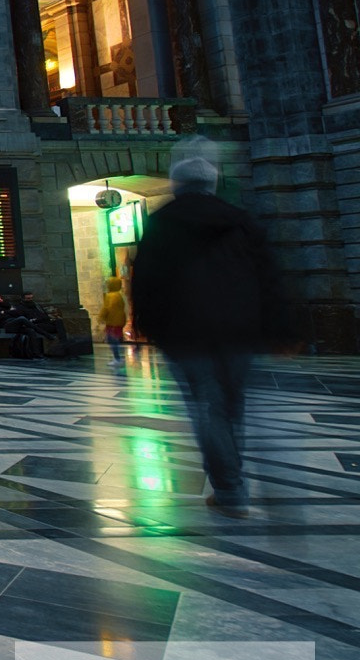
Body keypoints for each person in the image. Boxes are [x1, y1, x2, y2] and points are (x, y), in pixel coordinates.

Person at [131, 141, 286, 518]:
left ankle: (230, 488)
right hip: (239, 329)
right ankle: (232, 481)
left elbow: (147, 282)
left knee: (207, 405)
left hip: (185, 332)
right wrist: (279, 327)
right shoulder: (240, 220)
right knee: (232, 406)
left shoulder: (163, 222)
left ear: (177, 184)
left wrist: (149, 327)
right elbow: (269, 278)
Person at [98, 277, 129, 367]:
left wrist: (101, 317)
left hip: (112, 322)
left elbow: (107, 308)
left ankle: (117, 358)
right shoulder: (119, 295)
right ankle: (119, 358)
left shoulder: (110, 296)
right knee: (116, 339)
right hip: (119, 321)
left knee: (112, 340)